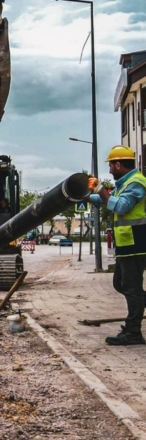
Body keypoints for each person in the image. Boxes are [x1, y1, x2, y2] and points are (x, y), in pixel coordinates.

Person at [88, 145, 146, 346]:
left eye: (111, 165)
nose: (110, 169)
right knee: (120, 283)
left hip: (136, 243)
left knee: (132, 288)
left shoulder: (136, 183)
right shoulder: (125, 184)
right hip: (127, 244)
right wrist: (85, 195)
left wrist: (100, 189)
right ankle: (136, 313)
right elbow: (107, 199)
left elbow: (120, 206)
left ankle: (133, 332)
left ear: (119, 165)